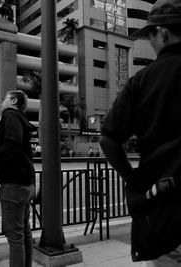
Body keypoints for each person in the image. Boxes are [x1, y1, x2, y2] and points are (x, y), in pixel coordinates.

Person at [99, 0, 181, 265]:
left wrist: (132, 178)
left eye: (151, 35)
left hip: (165, 212)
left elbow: (108, 138)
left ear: (163, 32)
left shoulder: (142, 81)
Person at [0, 90, 37, 267]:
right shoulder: (21, 119)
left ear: (14, 101)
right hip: (26, 184)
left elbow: (12, 142)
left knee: (15, 237)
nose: (2, 102)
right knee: (24, 233)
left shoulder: (9, 114)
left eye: (5, 98)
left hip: (13, 185)